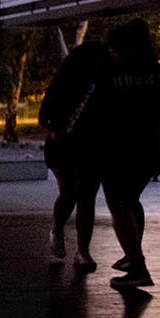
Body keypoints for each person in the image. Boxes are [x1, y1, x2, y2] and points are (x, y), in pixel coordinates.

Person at [86, 18, 160, 289]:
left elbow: (96, 111)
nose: (112, 53)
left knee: (119, 207)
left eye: (115, 49)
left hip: (116, 152)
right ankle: (132, 254)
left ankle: (137, 266)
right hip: (148, 151)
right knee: (132, 202)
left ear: (126, 49)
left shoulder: (109, 75)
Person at [39, 37, 107, 270]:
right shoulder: (67, 85)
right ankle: (61, 233)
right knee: (72, 192)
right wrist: (56, 131)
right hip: (65, 145)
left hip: (86, 146)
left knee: (84, 196)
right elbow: (45, 117)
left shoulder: (101, 84)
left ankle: (82, 249)